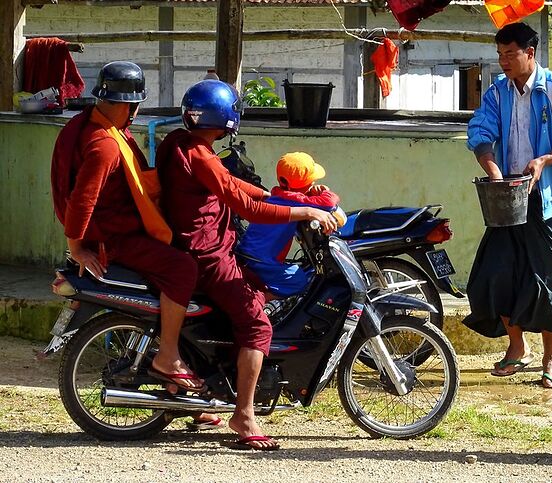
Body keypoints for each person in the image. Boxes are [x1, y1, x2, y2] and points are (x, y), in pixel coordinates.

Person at [156, 79, 337, 450]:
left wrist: (279, 197)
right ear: (224, 119)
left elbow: (236, 186)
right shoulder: (201, 156)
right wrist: (302, 210)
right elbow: (245, 206)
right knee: (257, 324)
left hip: (200, 248)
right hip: (208, 255)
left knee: (244, 303)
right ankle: (245, 415)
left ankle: (196, 399)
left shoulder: (178, 143)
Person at [50, 61, 203, 392]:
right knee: (183, 270)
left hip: (115, 229)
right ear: (125, 104)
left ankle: (184, 390)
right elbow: (82, 200)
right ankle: (169, 357)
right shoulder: (104, 145)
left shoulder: (87, 125)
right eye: (134, 106)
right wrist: (77, 248)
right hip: (114, 238)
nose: (135, 114)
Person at [463, 22, 552, 388]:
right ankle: (517, 348)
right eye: (500, 55)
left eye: (511, 54)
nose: (504, 61)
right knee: (496, 272)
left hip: (550, 200)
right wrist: (493, 170)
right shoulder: (496, 94)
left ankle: (550, 360)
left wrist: (545, 159)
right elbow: (480, 132)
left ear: (530, 53)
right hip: (507, 197)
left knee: (547, 276)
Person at [237, 151, 340, 298]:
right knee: (298, 280)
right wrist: (325, 191)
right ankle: (260, 301)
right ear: (308, 184)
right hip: (261, 261)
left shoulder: (279, 195)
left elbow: (301, 199)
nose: (314, 183)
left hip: (249, 254)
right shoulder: (296, 200)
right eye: (312, 181)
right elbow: (329, 203)